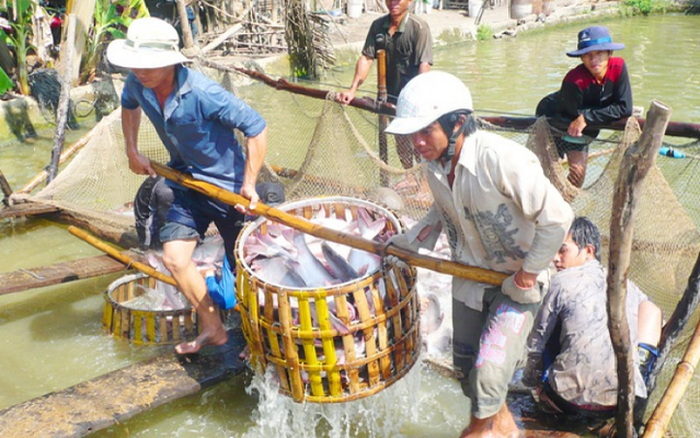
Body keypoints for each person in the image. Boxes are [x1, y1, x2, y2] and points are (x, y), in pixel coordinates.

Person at [385, 71, 574, 438]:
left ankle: (478, 431)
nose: (417, 142)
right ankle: (507, 429)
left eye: (426, 131)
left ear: (457, 123)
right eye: (413, 133)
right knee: (467, 371)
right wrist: (405, 244)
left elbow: (558, 218)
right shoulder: (435, 165)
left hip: (516, 285)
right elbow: (442, 212)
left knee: (488, 378)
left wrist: (529, 274)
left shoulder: (502, 160)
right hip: (471, 280)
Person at [106, 17, 268, 354]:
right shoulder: (138, 83)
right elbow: (128, 106)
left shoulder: (205, 93)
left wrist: (249, 185)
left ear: (171, 61)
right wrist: (131, 149)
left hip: (229, 189)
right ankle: (214, 328)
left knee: (247, 269)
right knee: (176, 259)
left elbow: (256, 126)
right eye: (136, 65)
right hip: (186, 180)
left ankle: (260, 338)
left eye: (149, 65)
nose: (141, 72)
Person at [522, 216, 662, 416]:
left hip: (565, 401)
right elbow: (655, 314)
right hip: (620, 404)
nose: (555, 258)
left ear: (589, 251)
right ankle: (635, 378)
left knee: (552, 326)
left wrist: (531, 383)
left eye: (563, 250)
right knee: (650, 308)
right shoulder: (624, 284)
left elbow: (537, 342)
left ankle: (547, 395)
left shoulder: (561, 281)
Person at [336, 0, 433, 169]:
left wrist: (421, 100)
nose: (393, 2)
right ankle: (409, 174)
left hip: (414, 100)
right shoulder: (378, 26)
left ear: (409, 1)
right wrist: (352, 90)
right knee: (400, 140)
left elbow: (425, 65)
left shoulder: (419, 27)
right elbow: (366, 58)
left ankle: (425, 182)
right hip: (390, 97)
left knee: (420, 142)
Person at [536, 26, 633, 188]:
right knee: (553, 171)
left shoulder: (619, 68)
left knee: (577, 177)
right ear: (581, 58)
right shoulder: (574, 81)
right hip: (555, 116)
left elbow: (625, 108)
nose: (594, 59)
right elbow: (573, 116)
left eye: (599, 53)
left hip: (582, 120)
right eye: (588, 55)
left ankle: (560, 208)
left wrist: (587, 117)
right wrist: (587, 117)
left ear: (610, 53)